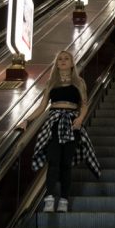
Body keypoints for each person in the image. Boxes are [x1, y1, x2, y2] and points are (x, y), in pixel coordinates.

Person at [19, 50, 102, 211]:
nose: (63, 61)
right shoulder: (51, 82)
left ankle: (64, 199)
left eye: (66, 59)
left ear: (72, 63)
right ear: (56, 64)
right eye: (60, 59)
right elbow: (42, 107)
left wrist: (80, 119)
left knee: (66, 163)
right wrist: (27, 120)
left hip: (72, 123)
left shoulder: (79, 82)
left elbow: (84, 104)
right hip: (54, 122)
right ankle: (49, 197)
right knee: (53, 160)